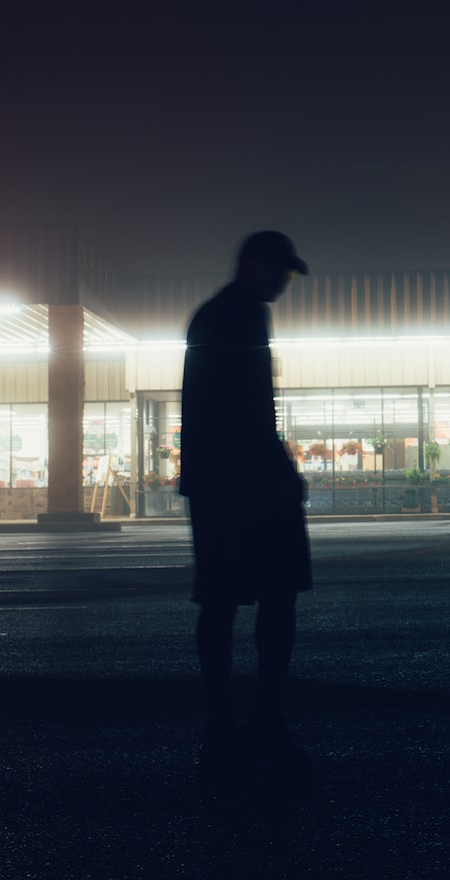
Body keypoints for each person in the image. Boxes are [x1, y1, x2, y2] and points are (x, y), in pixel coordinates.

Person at [180, 230, 312, 769]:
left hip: (213, 484)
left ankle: (221, 726)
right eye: (279, 270)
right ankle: (265, 720)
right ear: (253, 265)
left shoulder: (212, 315)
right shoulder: (243, 317)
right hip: (248, 484)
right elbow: (252, 408)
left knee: (220, 603)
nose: (284, 281)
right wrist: (281, 471)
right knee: (278, 597)